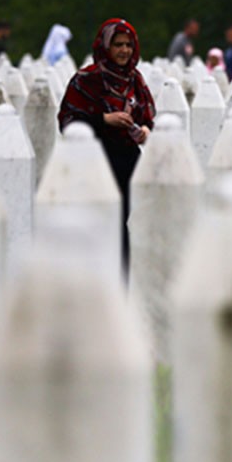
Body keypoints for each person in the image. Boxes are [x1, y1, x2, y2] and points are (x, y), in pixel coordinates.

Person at [58, 18, 155, 274]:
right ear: (105, 47)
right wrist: (104, 119)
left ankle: (120, 282)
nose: (124, 51)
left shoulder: (135, 80)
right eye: (118, 45)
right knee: (98, 223)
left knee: (121, 224)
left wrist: (145, 131)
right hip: (95, 159)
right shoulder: (86, 80)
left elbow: (147, 117)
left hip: (127, 161)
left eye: (128, 45)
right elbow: (67, 121)